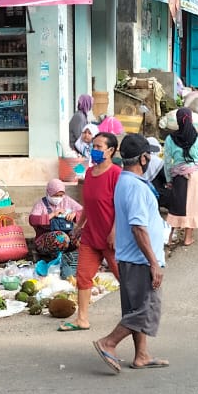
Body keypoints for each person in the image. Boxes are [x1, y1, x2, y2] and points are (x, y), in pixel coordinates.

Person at [92, 133, 168, 372]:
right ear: (144, 158)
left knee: (136, 308)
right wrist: (154, 263)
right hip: (139, 260)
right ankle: (109, 342)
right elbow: (138, 227)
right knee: (146, 310)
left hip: (129, 258)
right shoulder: (134, 186)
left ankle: (142, 355)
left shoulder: (124, 180)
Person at [61, 131, 121, 332]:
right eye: (93, 147)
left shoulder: (116, 174)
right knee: (83, 276)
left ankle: (137, 316)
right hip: (90, 236)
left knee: (125, 277)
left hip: (111, 238)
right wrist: (79, 227)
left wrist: (114, 231)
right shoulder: (88, 173)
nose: (94, 151)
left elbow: (121, 207)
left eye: (98, 147)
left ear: (111, 151)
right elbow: (88, 204)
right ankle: (82, 318)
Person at [163, 107, 198, 247]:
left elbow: (167, 162)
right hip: (196, 177)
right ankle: (188, 238)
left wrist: (168, 180)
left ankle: (170, 237)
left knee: (176, 207)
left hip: (178, 176)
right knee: (193, 207)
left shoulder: (170, 139)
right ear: (190, 119)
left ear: (178, 121)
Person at [29, 179, 82, 279]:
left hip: (67, 236)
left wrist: (74, 214)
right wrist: (52, 215)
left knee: (82, 234)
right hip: (46, 240)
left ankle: (75, 259)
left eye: (61, 195)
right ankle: (56, 260)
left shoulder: (66, 200)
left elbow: (83, 211)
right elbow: (32, 220)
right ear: (49, 193)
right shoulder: (41, 204)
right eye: (55, 195)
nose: (58, 198)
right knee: (61, 237)